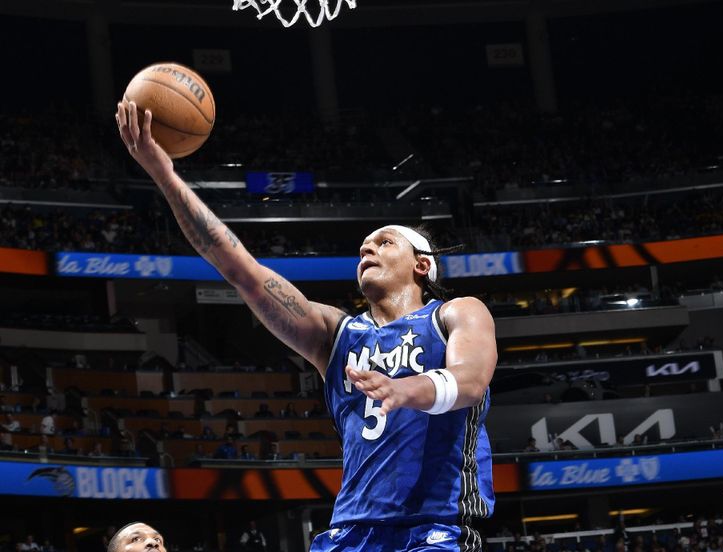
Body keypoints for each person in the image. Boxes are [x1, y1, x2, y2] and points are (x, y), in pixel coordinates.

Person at [116, 101, 497, 551]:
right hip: (349, 532)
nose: (366, 249)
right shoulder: (336, 335)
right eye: (362, 248)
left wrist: (404, 389)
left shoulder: (455, 312)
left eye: (383, 241)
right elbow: (241, 269)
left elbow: (469, 382)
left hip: (434, 527)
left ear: (422, 264)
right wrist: (165, 176)